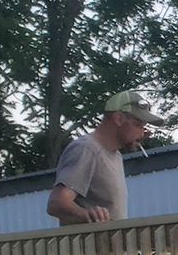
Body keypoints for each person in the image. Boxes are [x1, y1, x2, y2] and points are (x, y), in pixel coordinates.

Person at [45, 89, 167, 225]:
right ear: (119, 119)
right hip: (88, 246)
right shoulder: (86, 149)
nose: (142, 132)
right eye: (138, 125)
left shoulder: (116, 155)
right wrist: (88, 215)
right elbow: (56, 203)